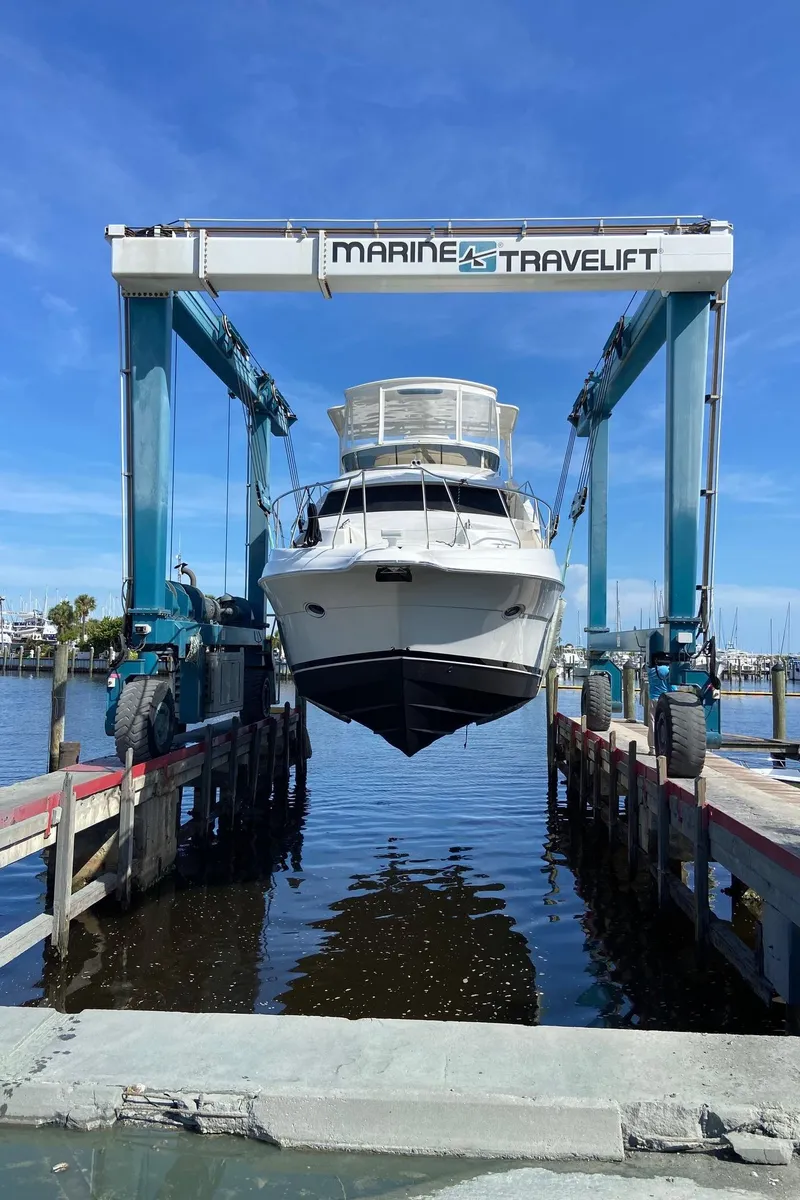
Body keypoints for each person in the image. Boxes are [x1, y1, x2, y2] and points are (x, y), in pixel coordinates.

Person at [647, 652, 677, 753]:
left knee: (652, 723)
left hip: (652, 699)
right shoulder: (666, 670)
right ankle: (663, 746)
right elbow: (672, 687)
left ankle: (652, 748)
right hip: (664, 700)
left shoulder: (651, 671)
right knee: (665, 724)